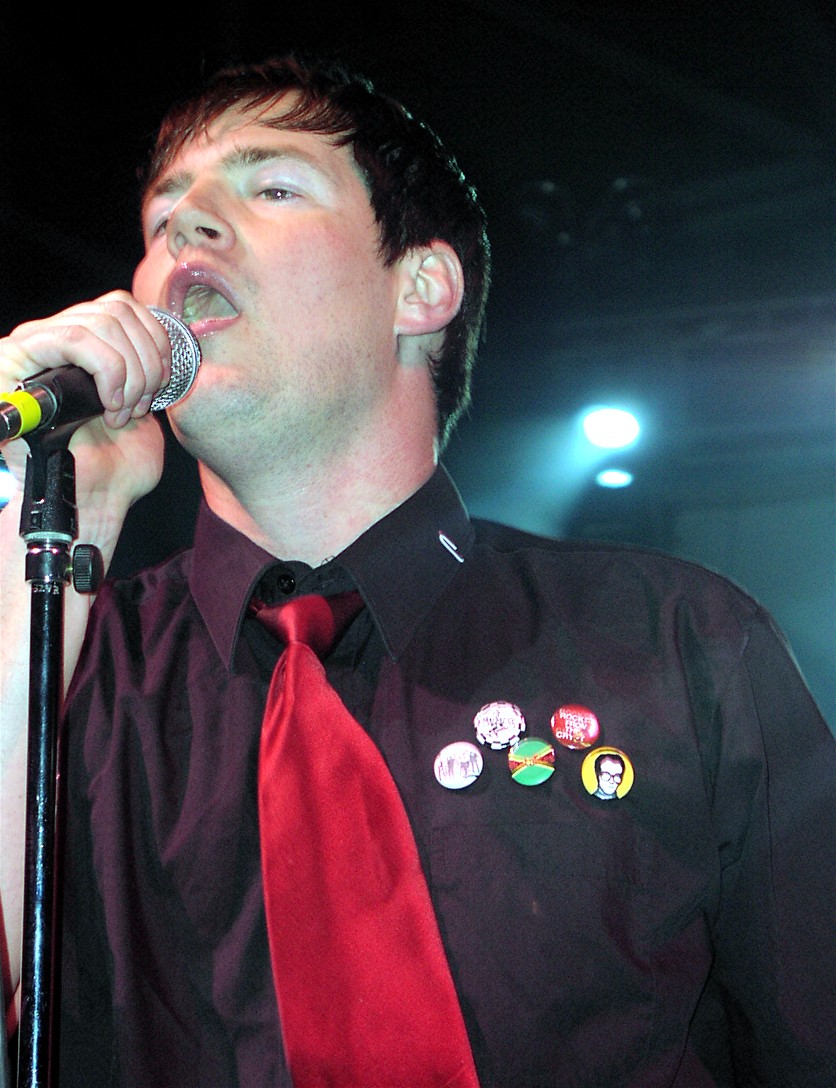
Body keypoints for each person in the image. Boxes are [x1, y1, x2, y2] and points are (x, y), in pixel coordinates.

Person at [0, 53, 833, 1088]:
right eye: (164, 213)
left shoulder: (675, 638)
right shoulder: (67, 668)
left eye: (271, 188)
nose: (187, 226)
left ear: (422, 288)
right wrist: (53, 522)